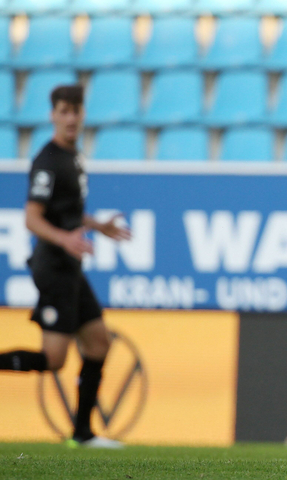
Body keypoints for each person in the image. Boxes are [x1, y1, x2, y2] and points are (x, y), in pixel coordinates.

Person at [0, 85, 131, 448]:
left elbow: (67, 211)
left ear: (83, 114)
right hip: (54, 268)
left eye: (76, 110)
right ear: (53, 115)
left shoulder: (73, 157)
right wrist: (64, 239)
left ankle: (83, 434)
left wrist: (96, 225)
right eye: (64, 111)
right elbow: (32, 218)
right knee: (54, 360)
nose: (71, 118)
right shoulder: (47, 161)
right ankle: (82, 433)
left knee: (99, 342)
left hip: (71, 267)